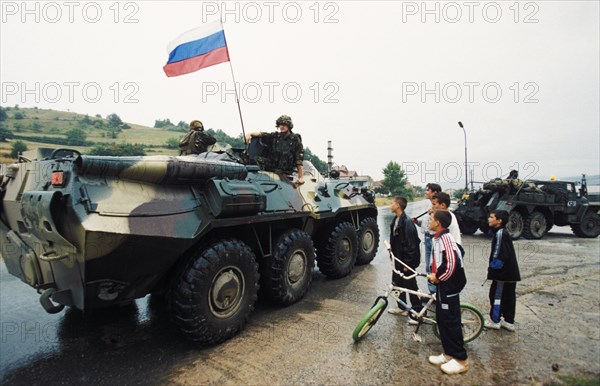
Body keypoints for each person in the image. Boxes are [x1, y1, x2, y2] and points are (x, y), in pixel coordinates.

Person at [427, 210, 468, 375]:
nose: (428, 221)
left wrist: (438, 277)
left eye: (431, 219)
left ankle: (461, 360)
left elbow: (452, 263)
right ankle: (448, 354)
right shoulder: (438, 237)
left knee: (451, 323)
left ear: (438, 222)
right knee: (442, 321)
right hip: (443, 286)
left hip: (449, 287)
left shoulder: (446, 239)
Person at [388, 196, 423, 322]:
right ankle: (402, 308)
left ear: (398, 205)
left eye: (392, 203)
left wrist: (407, 264)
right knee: (398, 284)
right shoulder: (396, 219)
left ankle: (417, 313)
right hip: (398, 260)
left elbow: (411, 246)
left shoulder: (407, 223)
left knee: (411, 287)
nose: (389, 205)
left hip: (406, 262)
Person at [485, 210, 521, 332]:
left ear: (499, 220)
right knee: (509, 297)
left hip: (503, 274)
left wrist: (492, 269)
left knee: (497, 296)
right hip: (510, 273)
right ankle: (508, 321)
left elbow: (499, 255)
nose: (489, 219)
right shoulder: (501, 232)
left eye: (491, 217)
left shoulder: (500, 234)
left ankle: (495, 321)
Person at [245, 115, 304, 185]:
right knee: (256, 159)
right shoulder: (275, 136)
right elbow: (262, 134)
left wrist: (301, 177)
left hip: (286, 169)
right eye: (280, 124)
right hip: (273, 165)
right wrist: (249, 134)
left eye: (284, 124)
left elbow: (299, 159)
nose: (282, 126)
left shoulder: (295, 139)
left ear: (289, 126)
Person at [411, 183, 441, 294]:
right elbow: (426, 224)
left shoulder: (438, 207)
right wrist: (417, 222)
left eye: (427, 190)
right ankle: (432, 292)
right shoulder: (427, 206)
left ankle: (436, 293)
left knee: (435, 267)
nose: (425, 192)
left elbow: (438, 224)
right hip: (428, 238)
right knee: (429, 267)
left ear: (434, 192)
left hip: (435, 239)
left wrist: (434, 213)